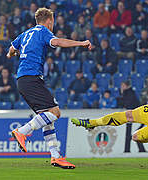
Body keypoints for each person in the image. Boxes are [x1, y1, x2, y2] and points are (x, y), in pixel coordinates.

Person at [7, 7, 91, 169]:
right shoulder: (43, 31)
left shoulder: (25, 34)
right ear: (49, 21)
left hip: (22, 80)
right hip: (32, 78)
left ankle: (55, 156)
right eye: (52, 22)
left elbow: (10, 51)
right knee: (55, 113)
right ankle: (22, 132)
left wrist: (14, 53)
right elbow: (57, 42)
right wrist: (81, 43)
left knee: (46, 119)